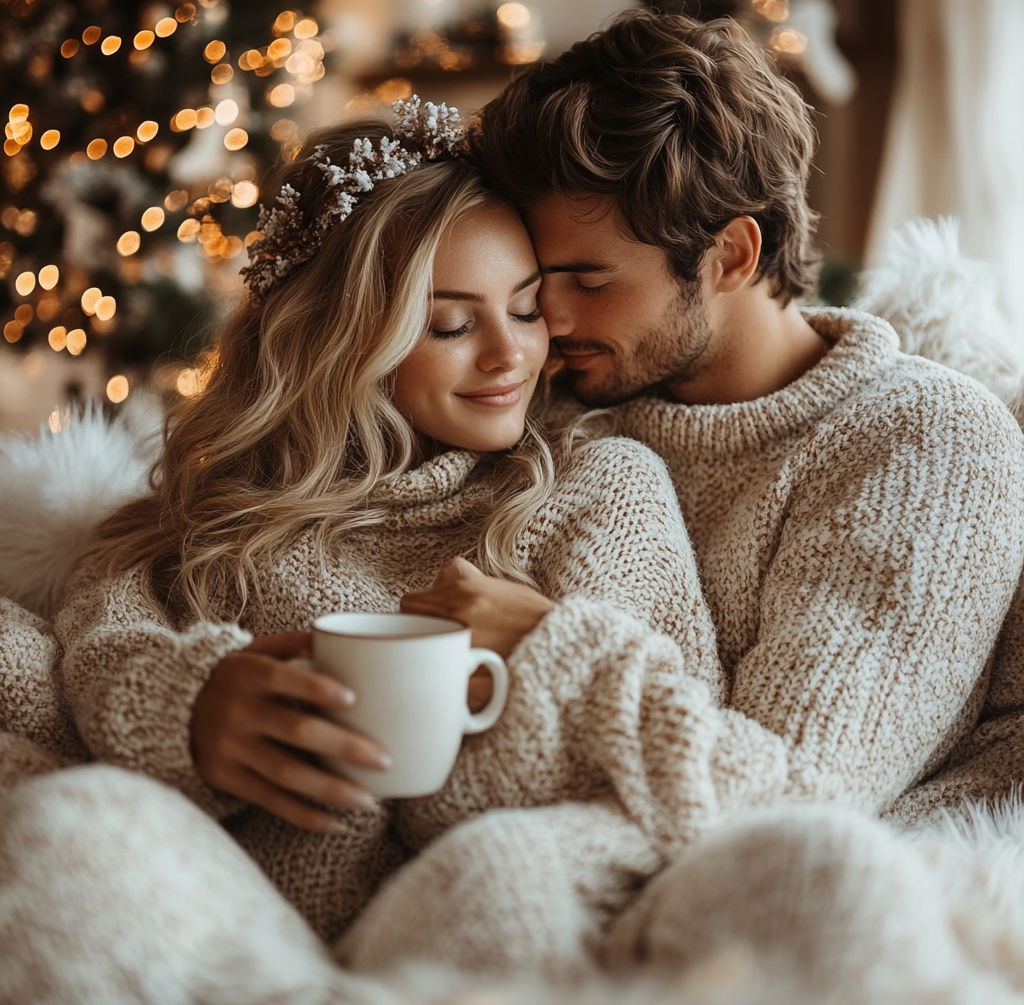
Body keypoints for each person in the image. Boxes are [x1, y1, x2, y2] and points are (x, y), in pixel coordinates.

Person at [342, 9, 1024, 972]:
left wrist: (555, 648)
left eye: (588, 280)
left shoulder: (926, 442)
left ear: (734, 255)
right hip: (556, 860)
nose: (547, 325)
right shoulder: (561, 403)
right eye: (540, 283)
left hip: (810, 910)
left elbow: (800, 800)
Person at [43, 97, 720, 951]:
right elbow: (101, 645)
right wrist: (189, 709)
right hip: (238, 929)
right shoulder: (216, 521)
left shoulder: (599, 489)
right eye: (450, 323)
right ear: (342, 337)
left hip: (501, 925)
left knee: (500, 886)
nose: (511, 355)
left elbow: (664, 747)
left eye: (524, 307)